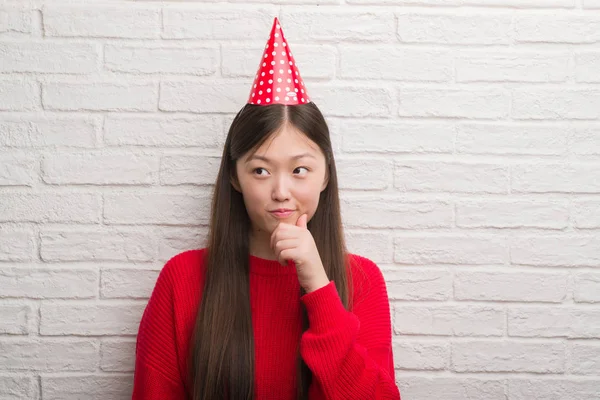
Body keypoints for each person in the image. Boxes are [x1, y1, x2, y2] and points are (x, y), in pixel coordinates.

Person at [132, 17, 401, 400]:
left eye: (300, 170)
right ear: (235, 177)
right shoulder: (182, 279)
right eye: (260, 170)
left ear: (325, 176)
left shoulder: (362, 280)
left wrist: (318, 285)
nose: (281, 191)